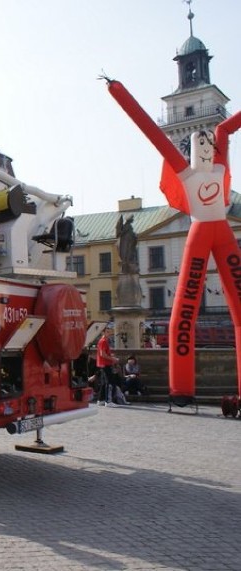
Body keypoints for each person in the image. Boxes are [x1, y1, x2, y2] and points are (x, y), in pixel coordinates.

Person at [107, 78, 241, 404]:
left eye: (210, 145)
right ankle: (181, 388)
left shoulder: (219, 163)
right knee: (183, 312)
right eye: (202, 145)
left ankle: (182, 387)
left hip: (220, 231)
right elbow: (152, 132)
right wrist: (118, 91)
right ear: (195, 152)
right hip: (203, 229)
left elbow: (224, 130)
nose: (207, 148)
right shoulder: (186, 172)